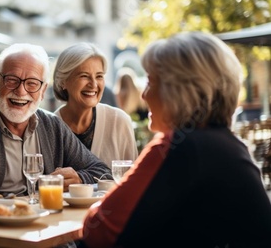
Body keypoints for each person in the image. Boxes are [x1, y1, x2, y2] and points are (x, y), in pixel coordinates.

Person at [81, 32, 271, 248]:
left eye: (150, 82)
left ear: (177, 91)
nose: (143, 95)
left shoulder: (179, 147)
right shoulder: (229, 144)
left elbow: (97, 230)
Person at [0, 43, 111, 196]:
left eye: (32, 83)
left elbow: (103, 172)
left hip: (46, 224)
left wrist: (80, 179)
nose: (21, 91)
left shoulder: (53, 126)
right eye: (12, 80)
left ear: (43, 90)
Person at [52, 42, 137, 167]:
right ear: (63, 81)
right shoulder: (50, 128)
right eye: (84, 76)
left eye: (99, 76)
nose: (94, 84)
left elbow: (133, 180)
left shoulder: (119, 121)